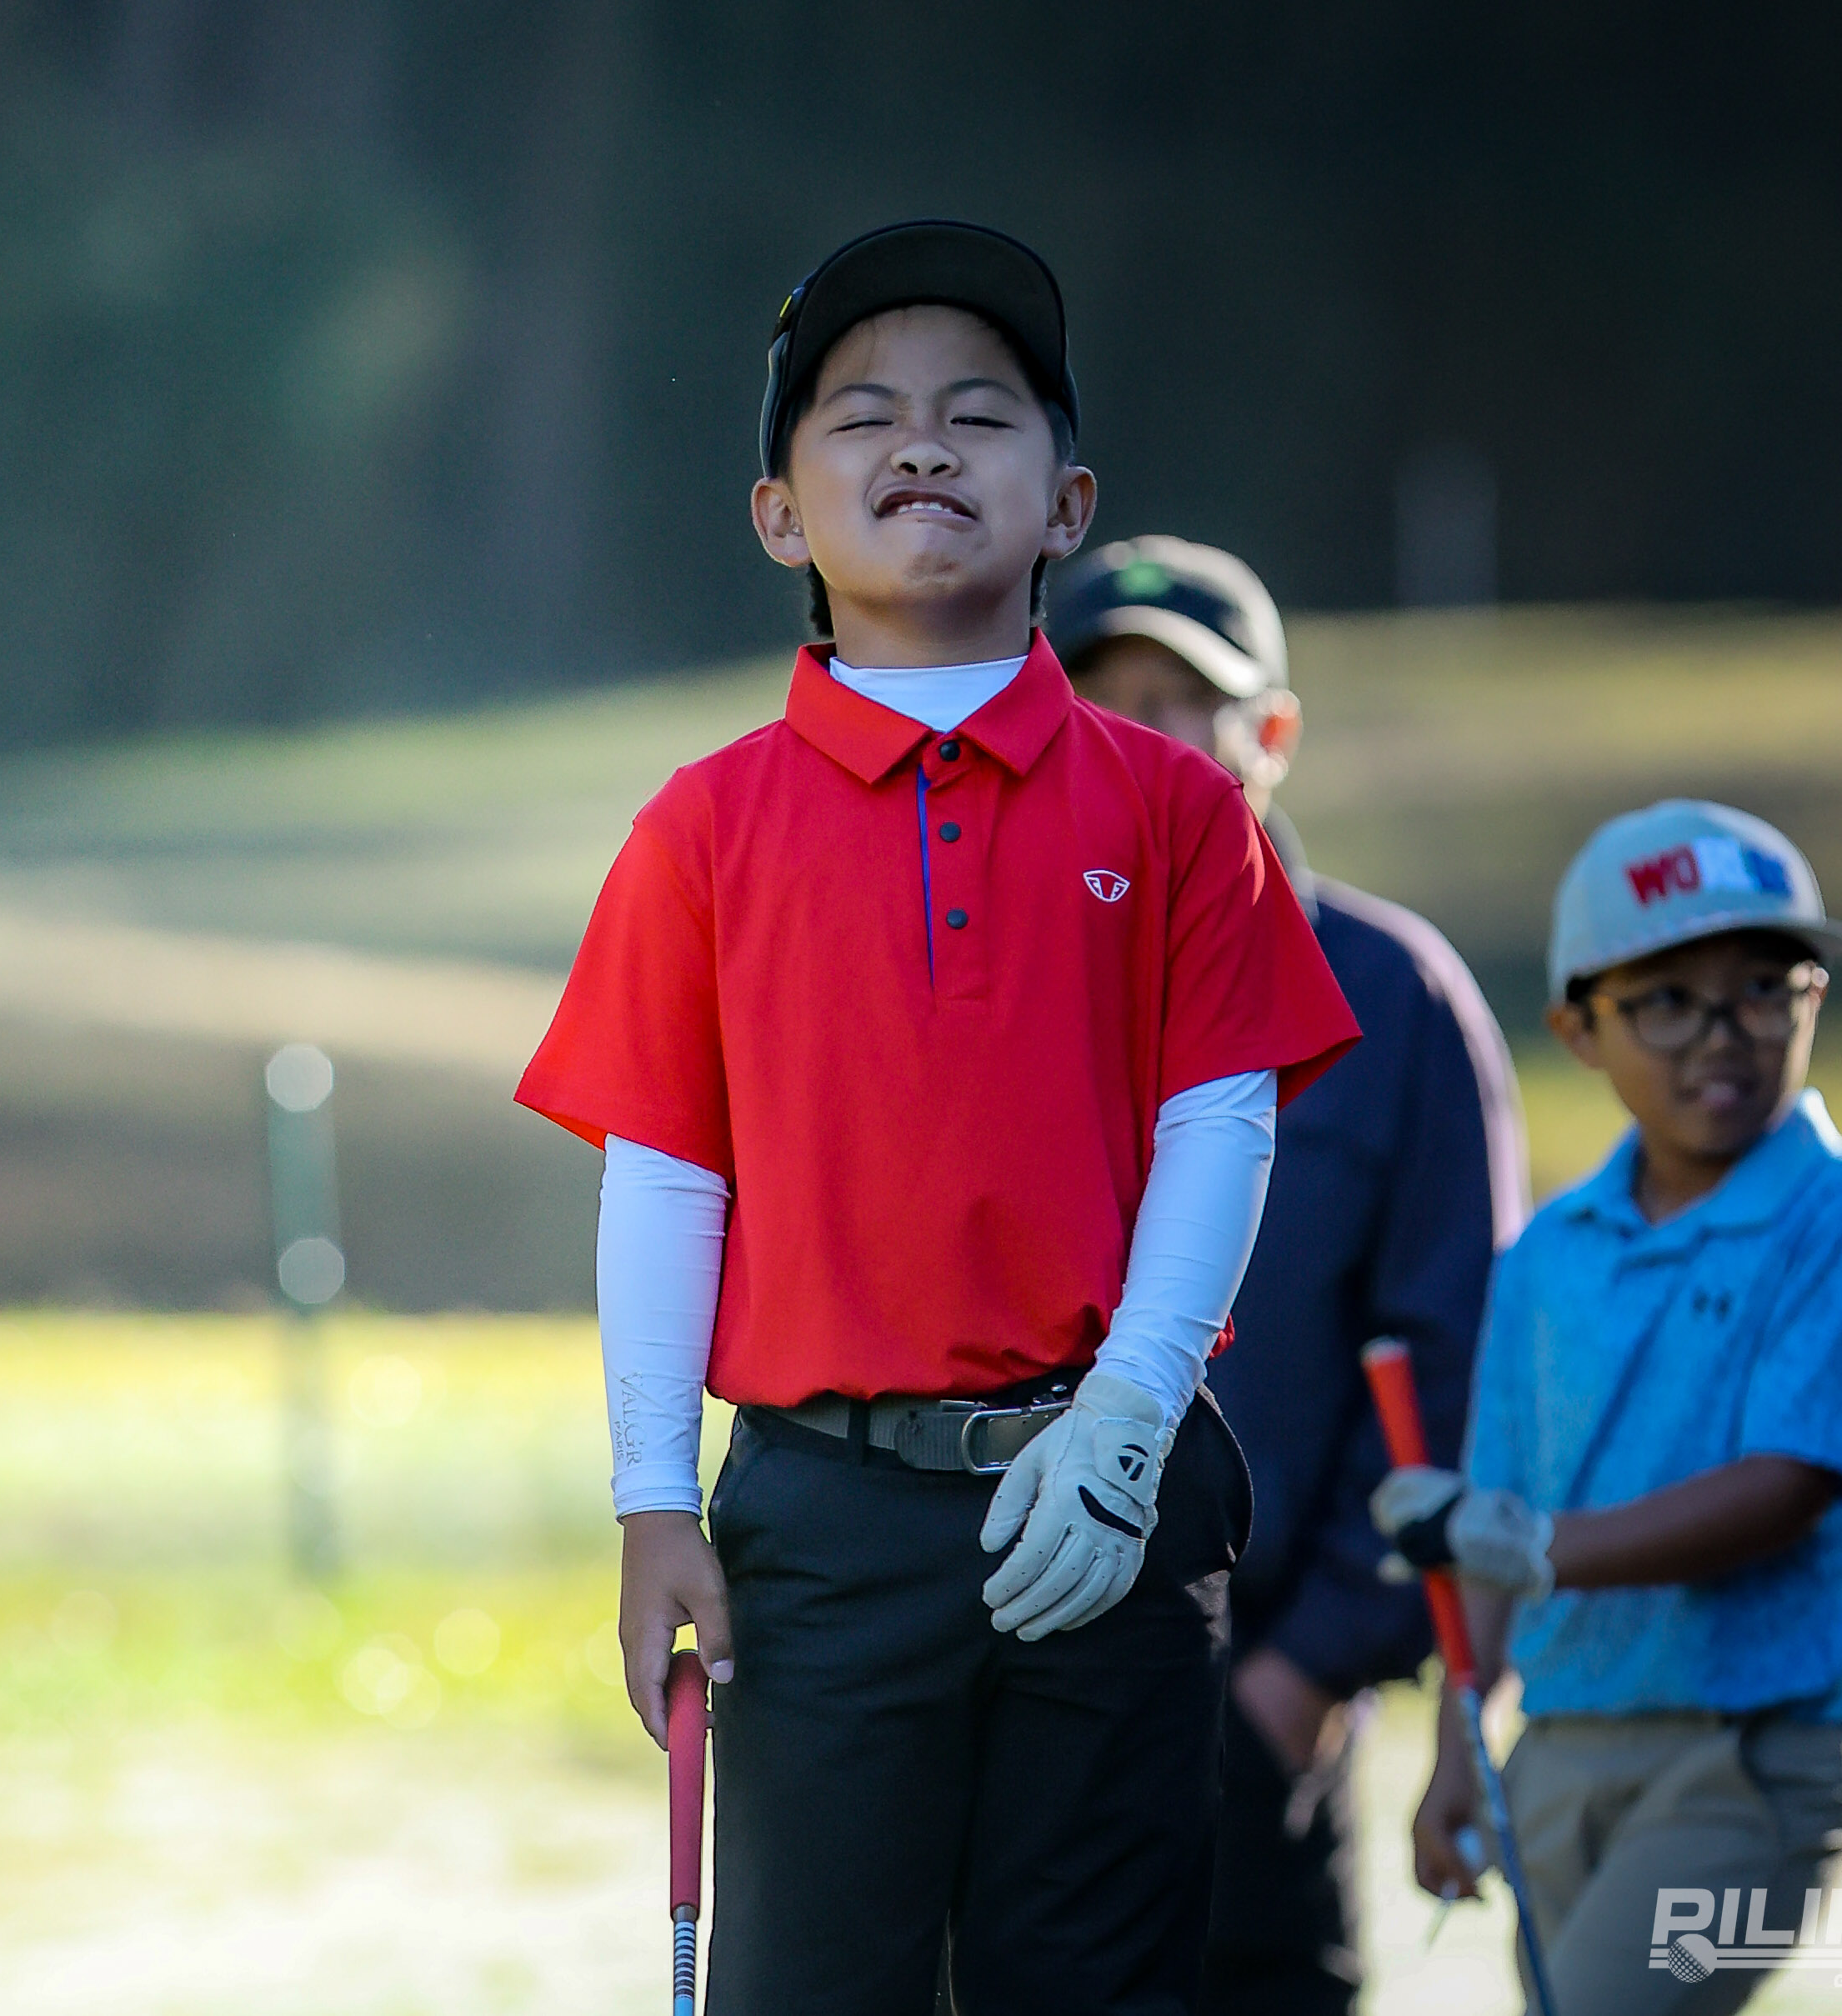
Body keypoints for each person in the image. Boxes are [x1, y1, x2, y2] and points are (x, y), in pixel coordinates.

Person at [513, 220, 1362, 2014]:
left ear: (1066, 503)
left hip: (1109, 1496)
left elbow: (1225, 1125)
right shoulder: (704, 826)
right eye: (862, 415)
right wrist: (654, 1495)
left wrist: (1132, 1411)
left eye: (980, 415)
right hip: (826, 1516)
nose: (920, 443)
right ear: (777, 514)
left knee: (1096, 1987)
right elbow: (665, 1173)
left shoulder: (1175, 809)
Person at [1045, 538, 1529, 2015]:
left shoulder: (1392, 999)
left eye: (1179, 703)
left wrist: (1313, 1664)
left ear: (1270, 735)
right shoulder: (995, 995)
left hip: (1259, 1699)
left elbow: (1458, 1358)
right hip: (1012, 1699)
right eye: (1101, 706)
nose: (1140, 741)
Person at [1378, 799, 1842, 2015]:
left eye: (1764, 989)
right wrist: (1459, 1748)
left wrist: (1536, 1550)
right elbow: (1497, 1509)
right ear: (1578, 1028)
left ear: (1814, 999)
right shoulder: (1550, 1254)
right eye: (1667, 1000)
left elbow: (1783, 1490)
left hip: (1752, 1756)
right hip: (1562, 1748)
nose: (1722, 1037)